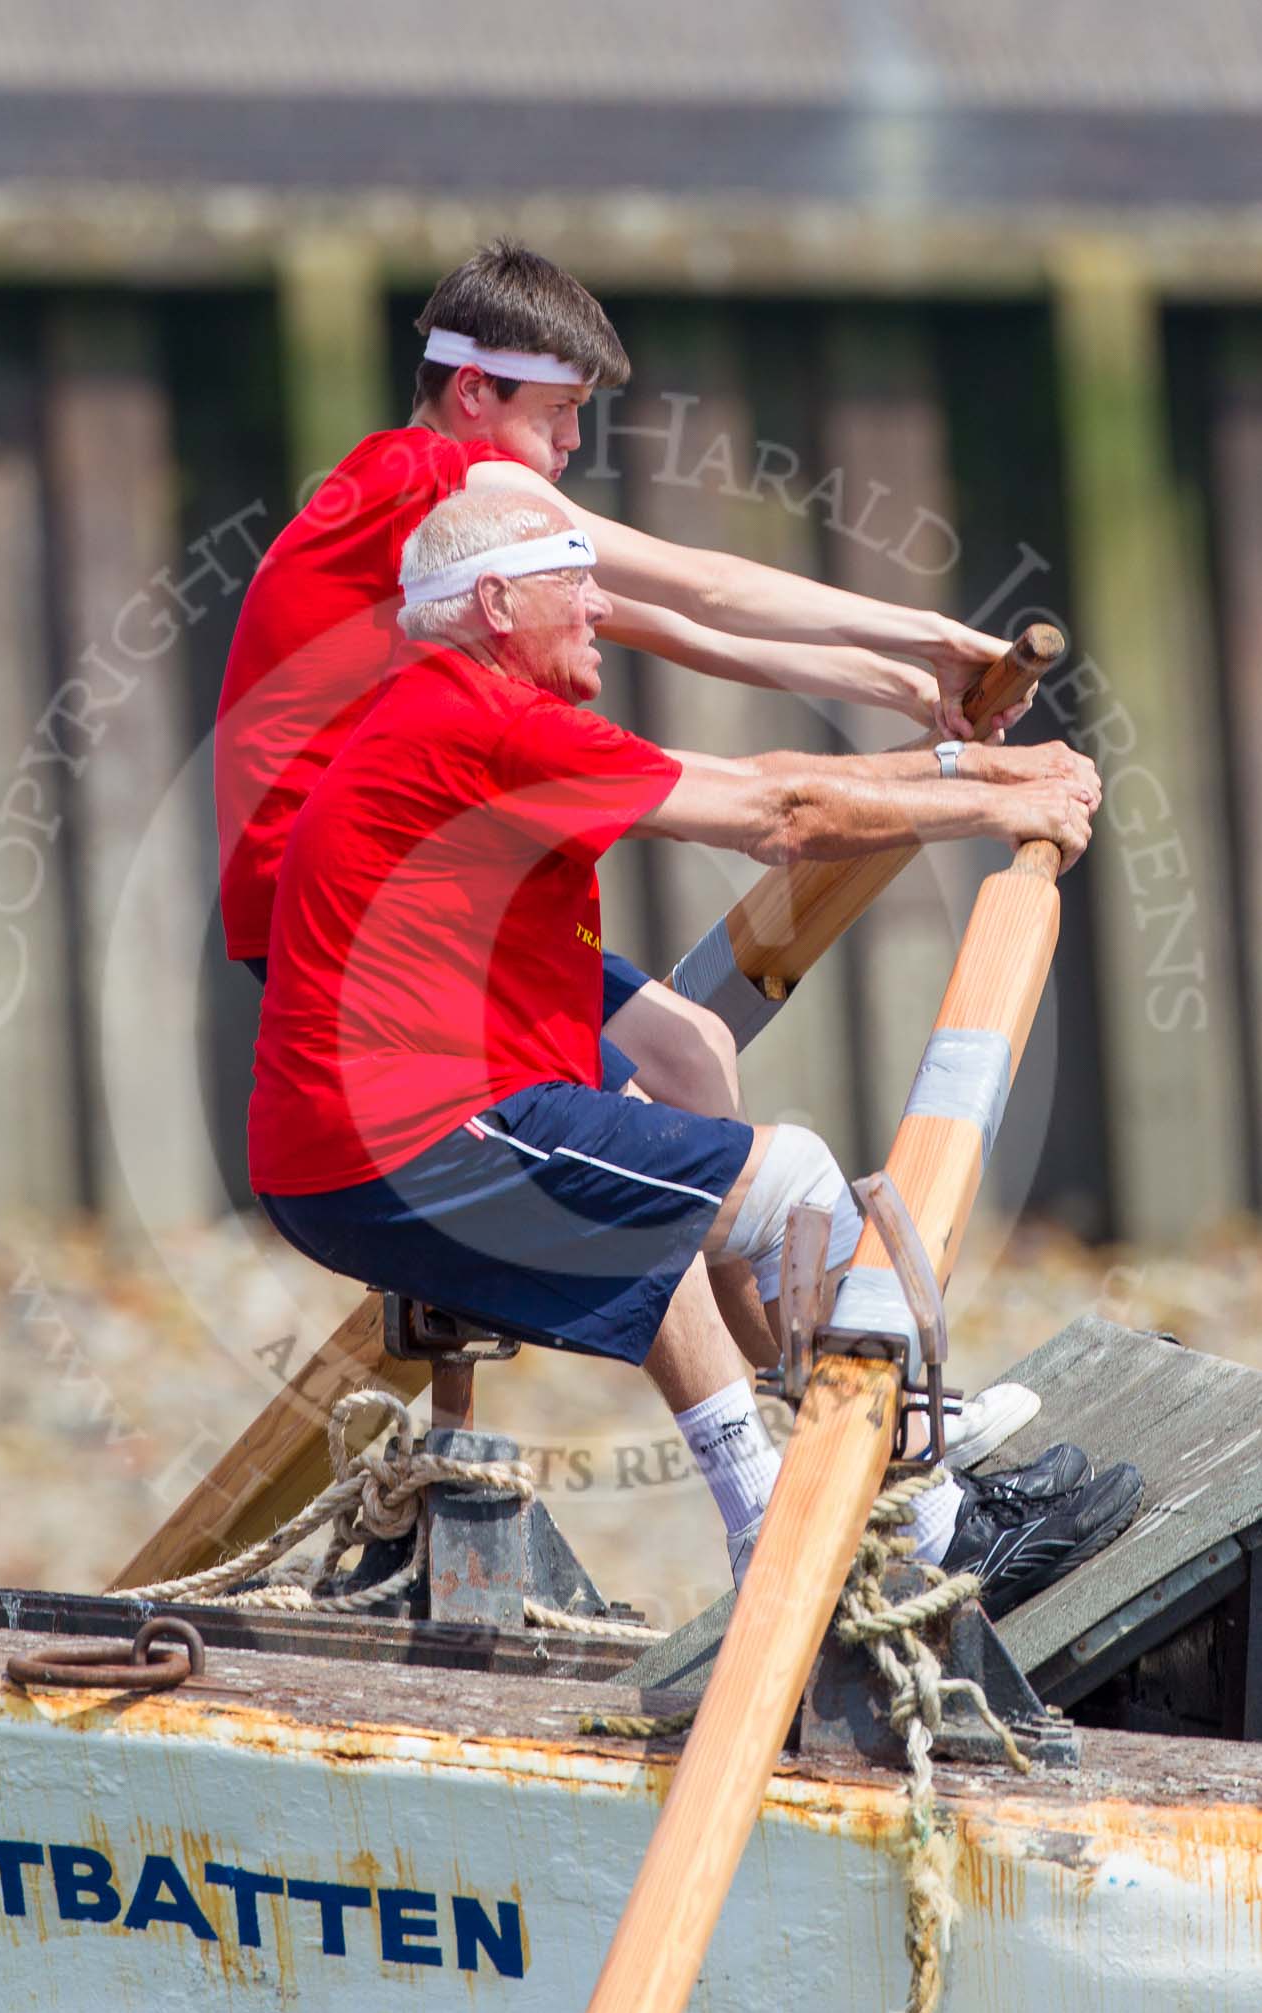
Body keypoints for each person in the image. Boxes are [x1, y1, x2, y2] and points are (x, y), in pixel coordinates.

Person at [216, 240, 1051, 1460]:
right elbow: (705, 584)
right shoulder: (434, 481)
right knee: (649, 1134)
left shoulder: (437, 509)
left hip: (395, 890)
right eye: (556, 418)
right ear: (475, 393)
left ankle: (808, 1399)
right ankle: (836, 1417)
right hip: (357, 917)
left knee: (688, 1046)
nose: (567, 452)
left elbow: (653, 617)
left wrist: (895, 679)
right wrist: (935, 630)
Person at [248, 490, 1142, 1616]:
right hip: (411, 1144)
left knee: (673, 1167)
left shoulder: (445, 707)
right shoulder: (485, 724)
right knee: (797, 1183)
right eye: (570, 577)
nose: (597, 602)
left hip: (359, 1152)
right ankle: (915, 1523)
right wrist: (1004, 793)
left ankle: (833, 1499)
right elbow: (781, 811)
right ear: (494, 601)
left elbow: (770, 785)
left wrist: (969, 775)